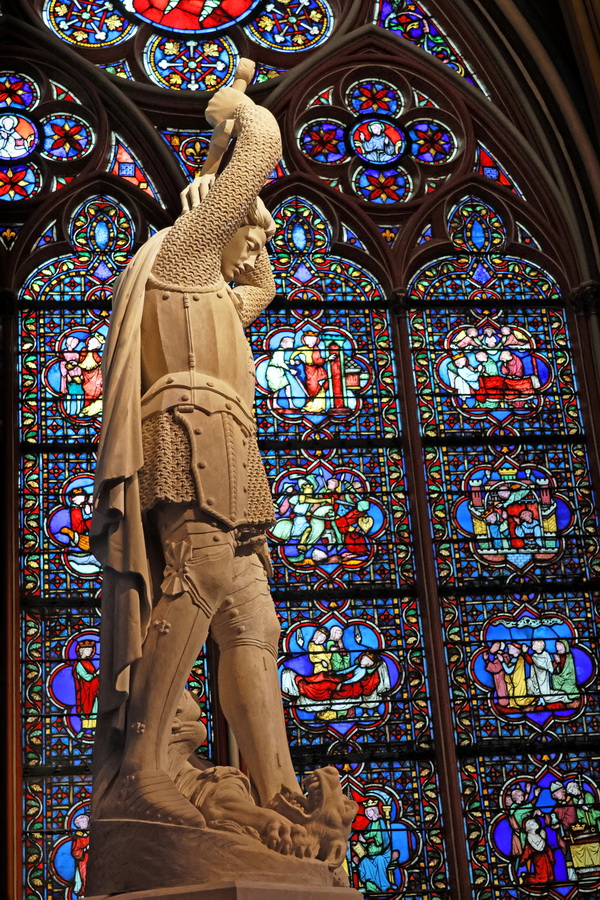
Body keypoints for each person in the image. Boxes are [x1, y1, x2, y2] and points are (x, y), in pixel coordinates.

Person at [90, 85, 305, 829]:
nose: (261, 237)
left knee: (252, 618)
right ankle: (144, 767)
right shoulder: (181, 257)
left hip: (230, 444)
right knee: (199, 574)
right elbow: (264, 147)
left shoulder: (216, 290)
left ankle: (277, 787)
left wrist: (236, 209)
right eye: (254, 228)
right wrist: (232, 108)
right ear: (216, 219)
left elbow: (262, 287)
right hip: (187, 431)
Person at [355, 798, 392, 891]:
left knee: (379, 860)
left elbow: (373, 835)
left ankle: (384, 886)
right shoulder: (371, 824)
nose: (367, 814)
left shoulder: (379, 822)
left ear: (374, 811)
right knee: (364, 861)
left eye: (369, 811)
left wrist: (364, 839)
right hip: (372, 853)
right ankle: (370, 885)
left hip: (383, 853)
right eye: (366, 812)